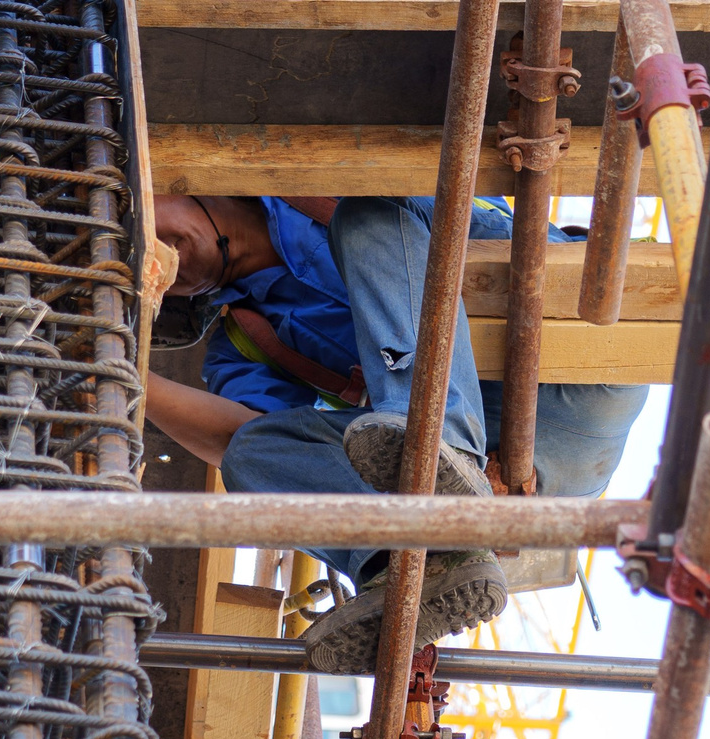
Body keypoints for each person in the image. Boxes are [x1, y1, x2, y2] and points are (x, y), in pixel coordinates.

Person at [144, 194, 648, 674]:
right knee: (252, 454)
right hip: (508, 472)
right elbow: (244, 445)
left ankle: (441, 454)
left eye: (140, 223)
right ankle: (408, 562)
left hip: (580, 377)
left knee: (370, 211)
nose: (147, 247)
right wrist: (127, 374)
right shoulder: (242, 345)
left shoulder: (301, 177)